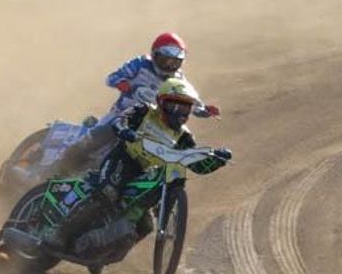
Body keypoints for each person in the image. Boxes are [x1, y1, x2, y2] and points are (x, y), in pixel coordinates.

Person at [45, 77, 229, 251]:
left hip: (146, 172)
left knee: (145, 225)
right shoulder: (144, 110)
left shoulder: (185, 136)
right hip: (124, 158)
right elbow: (120, 121)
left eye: (185, 108)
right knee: (106, 193)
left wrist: (216, 159)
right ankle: (60, 232)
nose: (180, 113)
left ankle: (100, 251)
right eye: (175, 106)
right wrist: (125, 131)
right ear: (162, 103)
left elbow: (195, 164)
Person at [54, 32, 220, 175]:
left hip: (150, 124)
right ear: (155, 55)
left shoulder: (179, 80)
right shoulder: (140, 64)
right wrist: (122, 83)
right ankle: (60, 166)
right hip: (121, 116)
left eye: (175, 61)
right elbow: (112, 77)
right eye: (166, 60)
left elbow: (191, 103)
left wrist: (205, 110)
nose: (170, 65)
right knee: (99, 137)